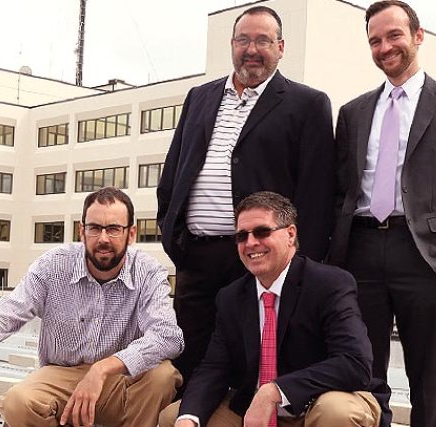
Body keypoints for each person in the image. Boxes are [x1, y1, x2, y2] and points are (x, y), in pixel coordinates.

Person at [157, 5, 335, 389]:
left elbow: (318, 196)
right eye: (243, 40)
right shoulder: (200, 98)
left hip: (261, 259)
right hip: (198, 259)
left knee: (254, 367)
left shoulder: (307, 104)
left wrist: (299, 267)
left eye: (263, 40)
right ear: (232, 44)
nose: (251, 49)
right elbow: (173, 173)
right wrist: (173, 238)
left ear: (281, 47)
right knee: (189, 364)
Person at [327, 1, 436, 426]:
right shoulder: (354, 112)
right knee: (362, 372)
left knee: (430, 378)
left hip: (426, 254)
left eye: (393, 35)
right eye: (375, 40)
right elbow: (342, 189)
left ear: (418, 35)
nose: (385, 47)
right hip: (359, 252)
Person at [0, 187, 184, 427]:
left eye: (114, 228)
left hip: (123, 381)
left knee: (161, 376)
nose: (103, 238)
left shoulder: (148, 272)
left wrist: (103, 368)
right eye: (95, 228)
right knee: (17, 403)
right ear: (82, 231)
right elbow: (4, 315)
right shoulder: (53, 266)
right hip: (63, 377)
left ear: (131, 233)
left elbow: (167, 336)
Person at [159, 191, 381, 427]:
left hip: (318, 404)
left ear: (290, 234)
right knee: (174, 417)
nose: (251, 243)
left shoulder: (329, 284)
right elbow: (214, 367)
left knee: (336, 413)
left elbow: (354, 363)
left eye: (262, 232)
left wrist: (275, 390)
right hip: (254, 410)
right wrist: (189, 418)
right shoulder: (231, 297)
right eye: (242, 236)